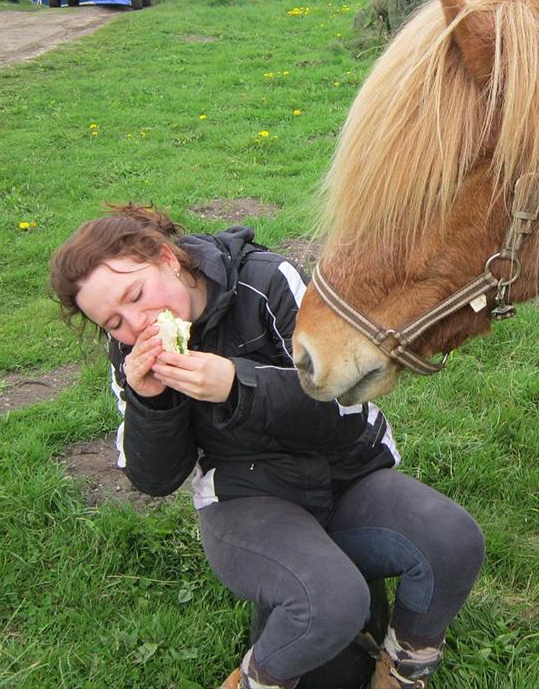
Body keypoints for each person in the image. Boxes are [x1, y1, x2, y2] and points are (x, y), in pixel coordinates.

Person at [49, 204, 485, 689]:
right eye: (114, 322)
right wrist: (150, 403)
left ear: (169, 258)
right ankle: (255, 681)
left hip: (347, 473)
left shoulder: (266, 279)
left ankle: (402, 669)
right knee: (332, 601)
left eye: (136, 294)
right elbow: (155, 478)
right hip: (247, 499)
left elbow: (344, 414)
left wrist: (239, 387)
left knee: (454, 540)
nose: (136, 323)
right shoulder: (132, 355)